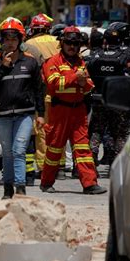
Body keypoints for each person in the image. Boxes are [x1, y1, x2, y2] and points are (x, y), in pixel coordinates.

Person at [41, 26, 106, 194]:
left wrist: (84, 84)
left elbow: (88, 86)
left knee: (83, 148)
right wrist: (75, 78)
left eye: (75, 44)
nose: (72, 46)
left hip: (78, 112)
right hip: (59, 111)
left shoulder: (81, 62)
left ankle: (90, 184)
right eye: (69, 43)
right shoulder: (53, 62)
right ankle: (46, 182)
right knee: (55, 148)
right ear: (62, 43)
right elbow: (53, 84)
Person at [0, 17, 45, 198]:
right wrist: (3, 67)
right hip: (2, 115)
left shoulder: (30, 62)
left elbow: (38, 89)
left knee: (19, 150)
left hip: (24, 114)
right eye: (7, 39)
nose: (10, 43)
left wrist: (40, 114)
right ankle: (7, 189)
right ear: (2, 40)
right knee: (8, 153)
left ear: (20, 40)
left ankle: (20, 188)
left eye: (14, 39)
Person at [87, 23, 130, 166]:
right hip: (118, 102)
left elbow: (88, 74)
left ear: (105, 40)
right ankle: (118, 163)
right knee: (120, 133)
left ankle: (91, 160)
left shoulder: (95, 56)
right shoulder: (126, 56)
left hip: (99, 99)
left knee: (96, 130)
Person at [24, 13, 61, 182]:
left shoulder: (29, 44)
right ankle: (59, 165)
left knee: (41, 132)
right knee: (58, 129)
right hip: (61, 91)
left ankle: (44, 167)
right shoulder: (58, 42)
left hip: (42, 92)